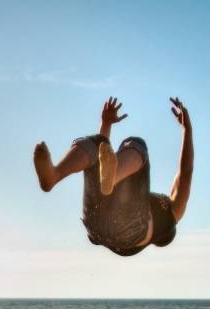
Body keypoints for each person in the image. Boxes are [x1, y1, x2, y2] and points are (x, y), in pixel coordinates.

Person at [32, 97, 194, 256]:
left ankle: (58, 174)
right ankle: (52, 175)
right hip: (97, 228)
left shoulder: (173, 214)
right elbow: (103, 161)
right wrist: (106, 124)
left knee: (137, 144)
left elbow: (185, 172)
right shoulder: (150, 206)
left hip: (123, 227)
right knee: (100, 143)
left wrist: (187, 129)